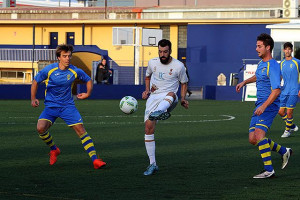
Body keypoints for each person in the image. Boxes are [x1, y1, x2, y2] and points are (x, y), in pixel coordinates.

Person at [31, 44, 106, 169]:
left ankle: (95, 160)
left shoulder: (75, 71)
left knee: (81, 131)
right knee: (40, 128)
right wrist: (33, 98)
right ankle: (54, 149)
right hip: (51, 107)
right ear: (59, 58)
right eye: (64, 56)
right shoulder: (49, 70)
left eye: (69, 56)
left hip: (67, 107)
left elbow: (88, 80)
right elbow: (35, 81)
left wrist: (88, 93)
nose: (67, 59)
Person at [236, 33, 292, 179]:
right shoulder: (262, 64)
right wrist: (244, 82)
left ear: (268, 48)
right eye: (256, 45)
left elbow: (276, 90)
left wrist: (264, 106)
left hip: (269, 105)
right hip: (260, 105)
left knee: (259, 135)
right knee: (253, 139)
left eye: (259, 46)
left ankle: (269, 170)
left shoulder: (273, 66)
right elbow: (258, 76)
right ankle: (284, 151)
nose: (256, 49)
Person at [142, 39, 189, 176]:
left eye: (165, 52)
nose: (162, 54)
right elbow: (147, 76)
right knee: (148, 129)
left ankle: (160, 111)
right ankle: (152, 164)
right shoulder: (152, 62)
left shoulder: (179, 66)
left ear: (170, 51)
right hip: (153, 98)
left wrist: (183, 99)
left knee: (171, 94)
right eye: (160, 51)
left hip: (169, 99)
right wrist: (146, 90)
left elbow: (184, 83)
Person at [278, 42, 300, 138]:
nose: (287, 51)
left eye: (289, 49)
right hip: (284, 90)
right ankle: (292, 125)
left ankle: (287, 131)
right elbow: (280, 76)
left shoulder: (297, 62)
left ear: (292, 50)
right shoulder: (282, 63)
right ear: (283, 50)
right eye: (286, 49)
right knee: (280, 111)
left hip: (294, 90)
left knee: (289, 112)